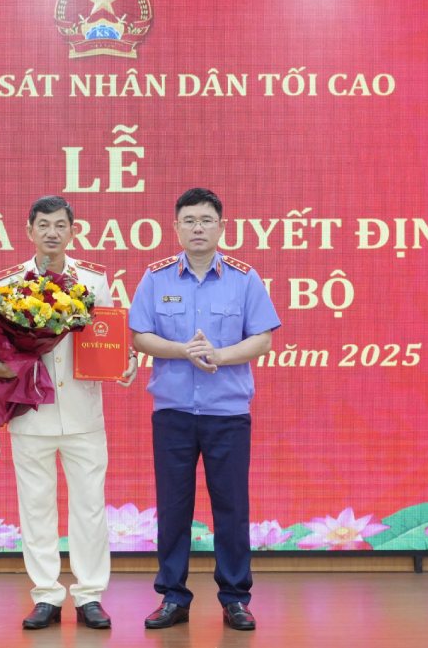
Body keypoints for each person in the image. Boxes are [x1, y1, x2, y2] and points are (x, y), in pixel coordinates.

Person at [0, 195, 138, 630]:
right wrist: (8, 365)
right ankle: (46, 595)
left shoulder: (93, 280)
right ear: (29, 230)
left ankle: (90, 595)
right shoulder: (9, 284)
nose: (52, 233)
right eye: (44, 225)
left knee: (90, 507)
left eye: (60, 225)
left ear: (73, 230)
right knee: (36, 508)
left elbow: (109, 337)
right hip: (30, 413)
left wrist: (125, 361)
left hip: (83, 413)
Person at [128, 188, 280, 632]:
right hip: (173, 412)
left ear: (221, 227)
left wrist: (219, 355)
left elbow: (263, 339)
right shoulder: (156, 277)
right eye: (189, 220)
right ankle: (173, 597)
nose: (198, 228)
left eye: (206, 220)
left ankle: (235, 598)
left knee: (231, 508)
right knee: (173, 508)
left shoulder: (244, 278)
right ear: (175, 227)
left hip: (227, 413)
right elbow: (139, 336)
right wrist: (182, 350)